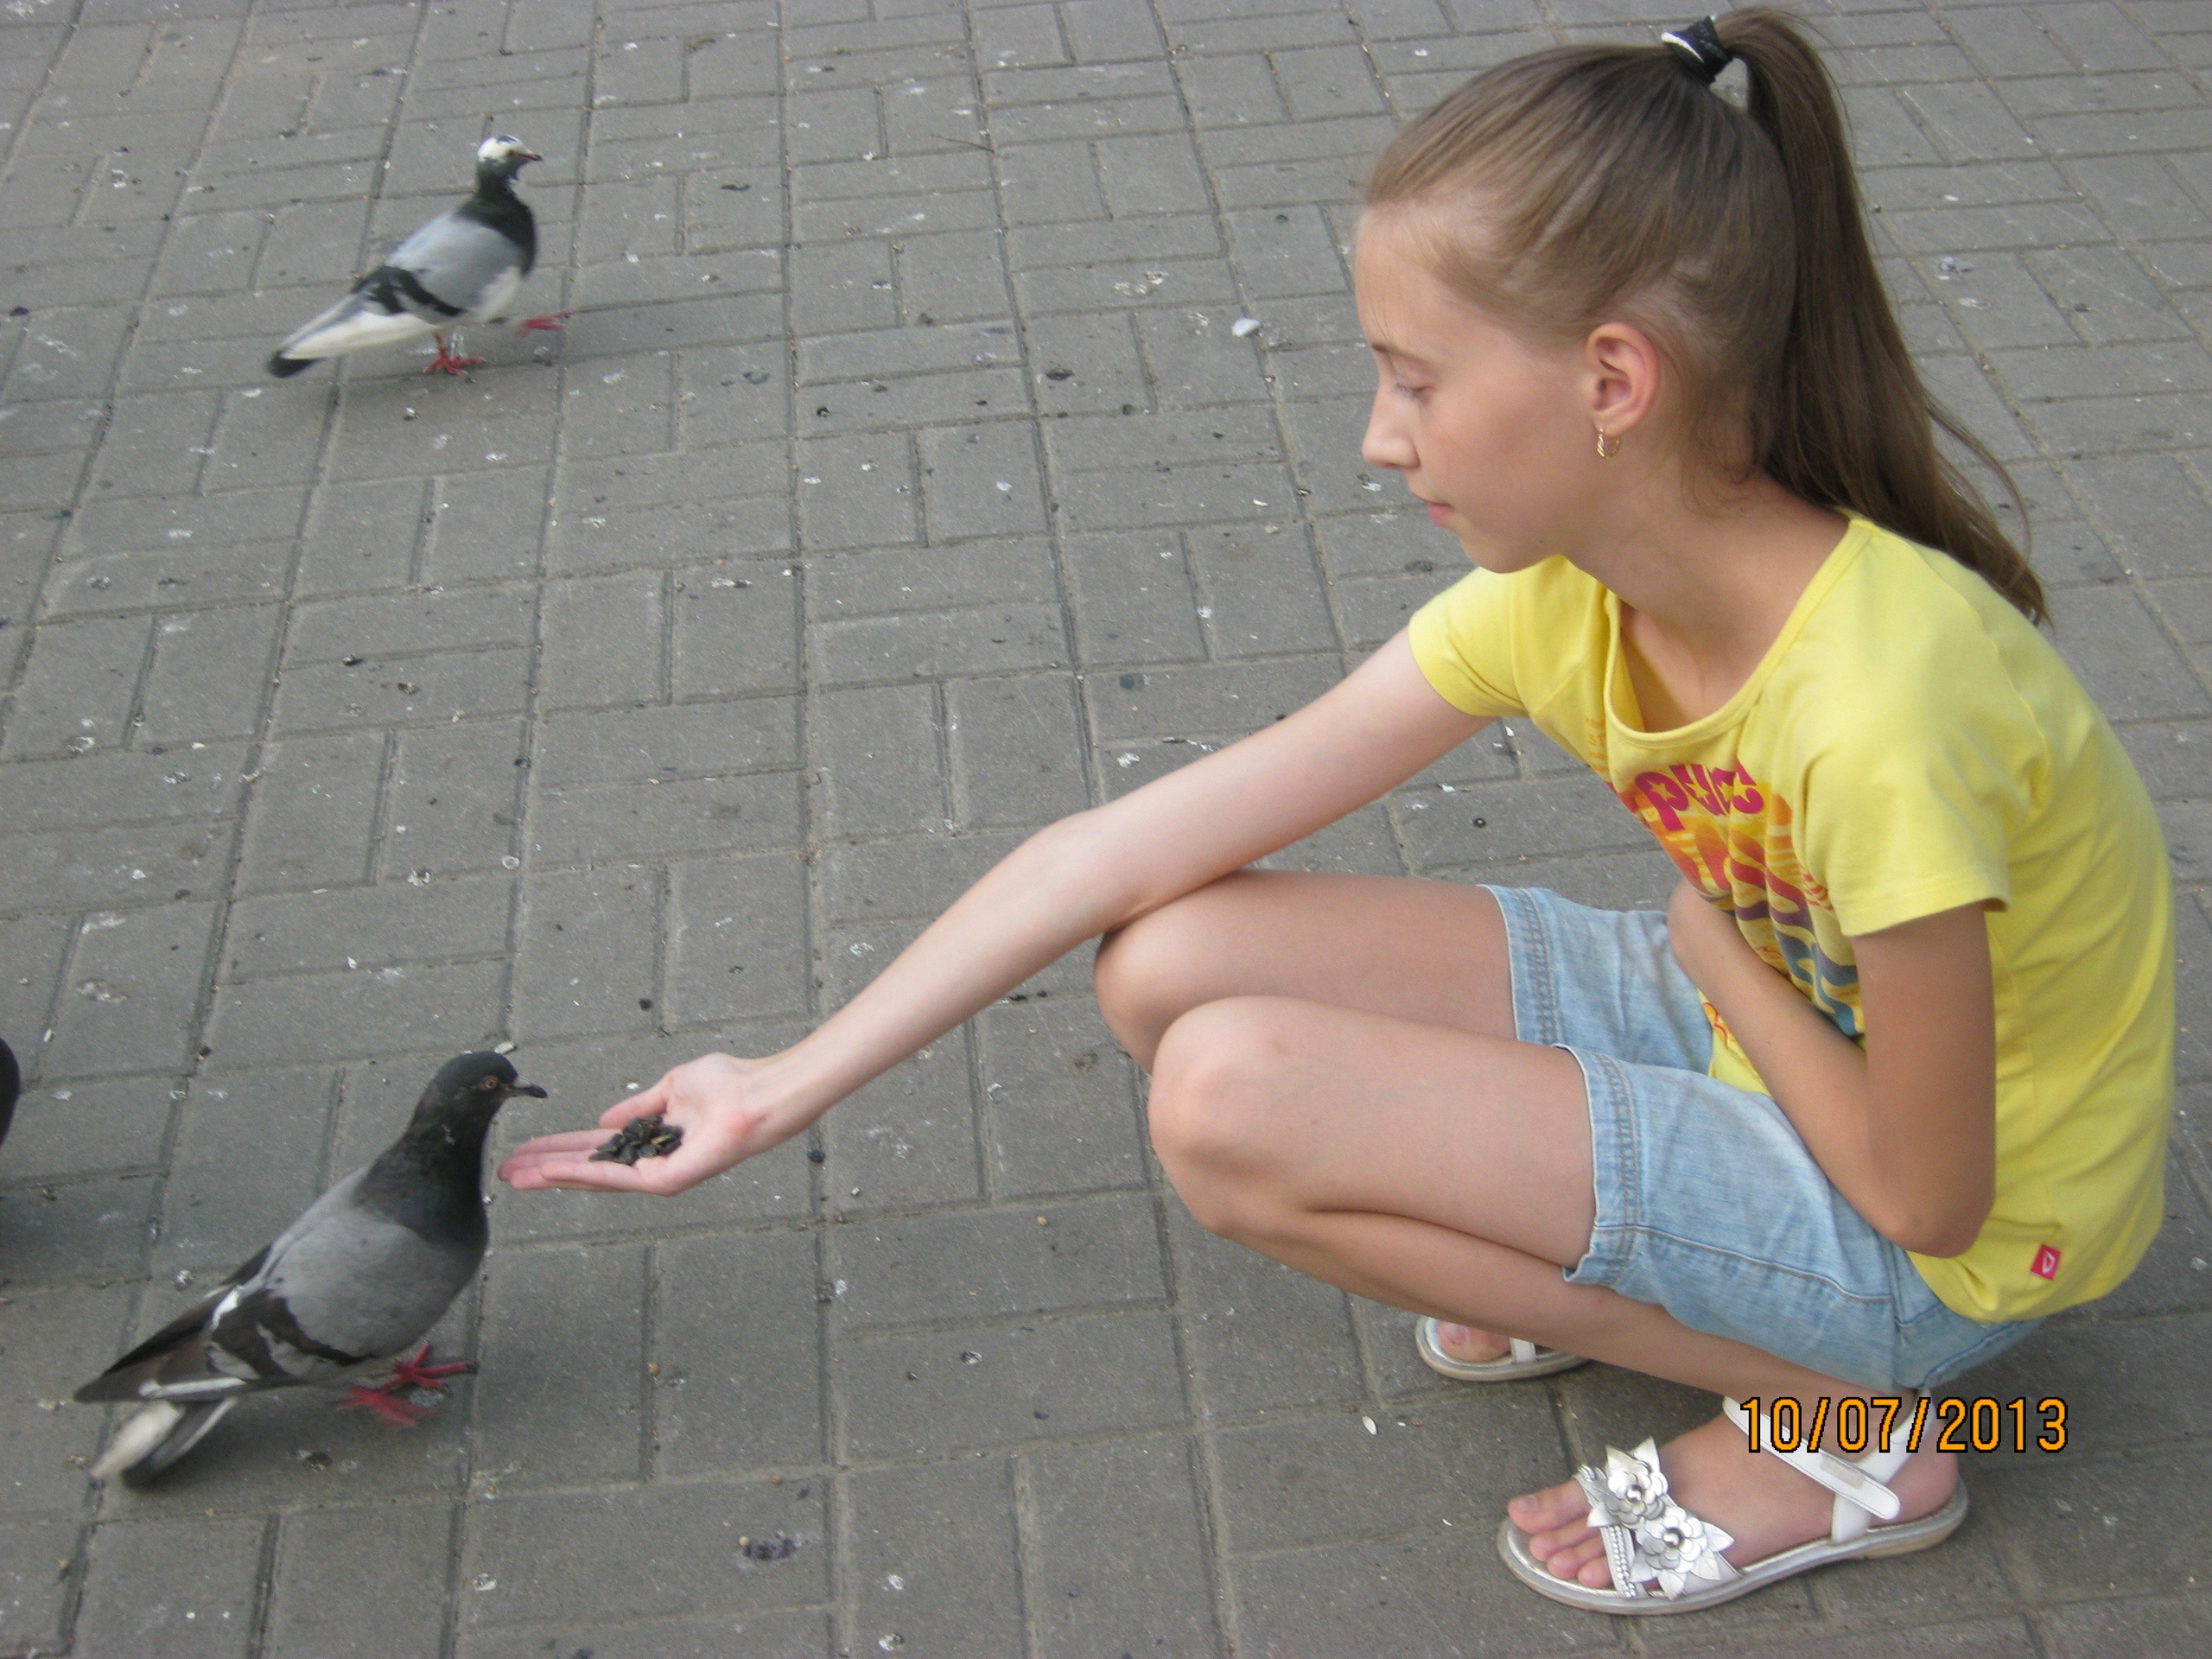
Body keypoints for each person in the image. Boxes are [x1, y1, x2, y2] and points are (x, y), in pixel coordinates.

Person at [499, 9, 2175, 1615]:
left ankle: (1847, 1427)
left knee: (1227, 1100)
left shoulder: (1883, 702)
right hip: (1769, 1027)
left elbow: (1929, 1200)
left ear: (1607, 380)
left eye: (1413, 378)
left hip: (1946, 1244)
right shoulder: (1567, 593)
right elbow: (1115, 857)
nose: (1379, 440)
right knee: (1164, 958)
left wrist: (1719, 963)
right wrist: (778, 1085)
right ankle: (1651, 1266)